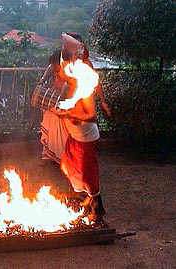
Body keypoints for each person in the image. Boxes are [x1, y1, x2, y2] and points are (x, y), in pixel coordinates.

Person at [52, 38, 106, 224]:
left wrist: (69, 115)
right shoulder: (68, 87)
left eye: (57, 69)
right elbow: (68, 109)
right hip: (75, 137)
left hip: (86, 139)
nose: (56, 73)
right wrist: (62, 112)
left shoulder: (82, 86)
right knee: (68, 166)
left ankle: (96, 212)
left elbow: (91, 115)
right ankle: (80, 203)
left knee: (88, 174)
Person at [38, 50, 68, 164]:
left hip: (68, 108)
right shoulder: (58, 60)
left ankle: (64, 159)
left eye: (57, 70)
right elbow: (51, 67)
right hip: (56, 103)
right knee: (49, 122)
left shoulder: (75, 72)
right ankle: (50, 155)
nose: (55, 73)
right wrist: (42, 82)